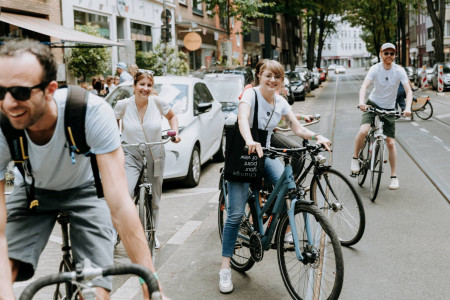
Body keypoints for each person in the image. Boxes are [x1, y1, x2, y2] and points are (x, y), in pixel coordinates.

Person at [0, 39, 164, 299]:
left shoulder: (90, 112)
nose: (8, 104)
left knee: (96, 290)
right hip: (34, 191)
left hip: (86, 189)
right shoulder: (2, 124)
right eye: (0, 92)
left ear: (50, 90)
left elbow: (121, 204)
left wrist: (151, 287)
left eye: (20, 92)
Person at [219, 60, 330, 294]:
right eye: (268, 76)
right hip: (244, 155)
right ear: (260, 76)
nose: (272, 81)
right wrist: (250, 141)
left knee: (289, 188)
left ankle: (276, 225)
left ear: (281, 80)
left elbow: (298, 129)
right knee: (236, 214)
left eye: (277, 77)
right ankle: (225, 268)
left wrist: (316, 136)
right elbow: (242, 119)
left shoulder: (280, 101)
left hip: (265, 154)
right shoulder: (250, 96)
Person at [114, 71, 181, 249]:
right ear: (134, 86)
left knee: (155, 198)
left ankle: (152, 233)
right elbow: (114, 126)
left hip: (155, 154)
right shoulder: (123, 105)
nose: (145, 88)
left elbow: (172, 117)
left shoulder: (158, 103)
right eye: (142, 84)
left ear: (152, 87)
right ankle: (120, 231)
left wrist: (176, 133)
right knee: (126, 193)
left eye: (149, 85)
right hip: (131, 154)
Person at [350, 42, 412, 190]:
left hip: (389, 108)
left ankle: (393, 177)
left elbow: (408, 91)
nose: (389, 56)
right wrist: (361, 102)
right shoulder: (375, 69)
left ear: (395, 55)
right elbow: (364, 86)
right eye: (386, 53)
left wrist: (408, 108)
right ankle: (355, 158)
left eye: (392, 53)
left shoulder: (399, 71)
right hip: (373, 104)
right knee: (364, 131)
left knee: (390, 142)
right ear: (381, 54)